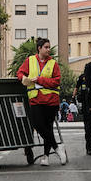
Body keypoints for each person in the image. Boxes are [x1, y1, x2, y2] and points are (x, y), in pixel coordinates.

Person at [19, 37, 65, 165]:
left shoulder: (53, 63)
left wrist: (39, 80)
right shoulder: (30, 60)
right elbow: (20, 72)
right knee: (38, 125)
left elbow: (56, 81)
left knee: (48, 127)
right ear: (39, 48)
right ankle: (56, 147)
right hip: (35, 99)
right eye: (46, 47)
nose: (48, 49)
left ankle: (46, 157)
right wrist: (23, 78)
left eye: (49, 47)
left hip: (51, 100)